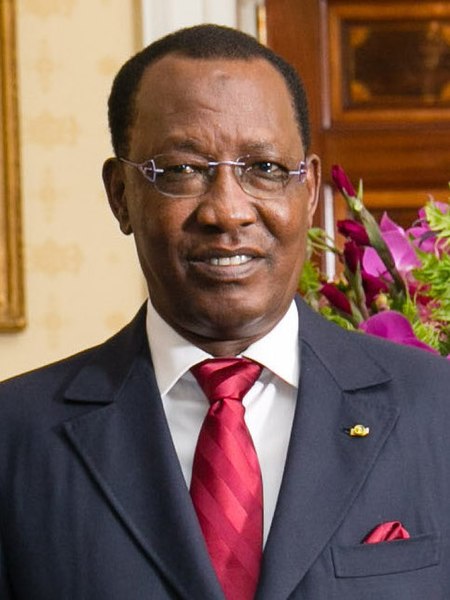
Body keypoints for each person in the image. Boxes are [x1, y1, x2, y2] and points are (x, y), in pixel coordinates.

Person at [0, 24, 449, 600]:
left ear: (309, 191)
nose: (228, 211)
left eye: (263, 168)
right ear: (120, 195)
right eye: (183, 170)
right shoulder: (15, 438)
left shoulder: (436, 408)